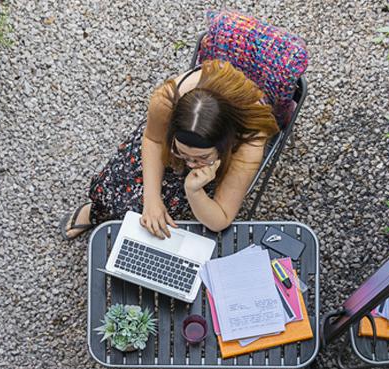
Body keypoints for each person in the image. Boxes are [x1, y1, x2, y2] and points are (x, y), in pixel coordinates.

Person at [60, 59, 279, 240]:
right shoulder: (165, 101)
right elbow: (153, 140)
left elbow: (220, 218)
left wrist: (194, 191)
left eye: (201, 157)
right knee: (113, 187)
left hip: (213, 167)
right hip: (167, 147)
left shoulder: (249, 141)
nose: (190, 165)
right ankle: (97, 211)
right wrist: (152, 200)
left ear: (227, 144)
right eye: (183, 154)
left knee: (161, 219)